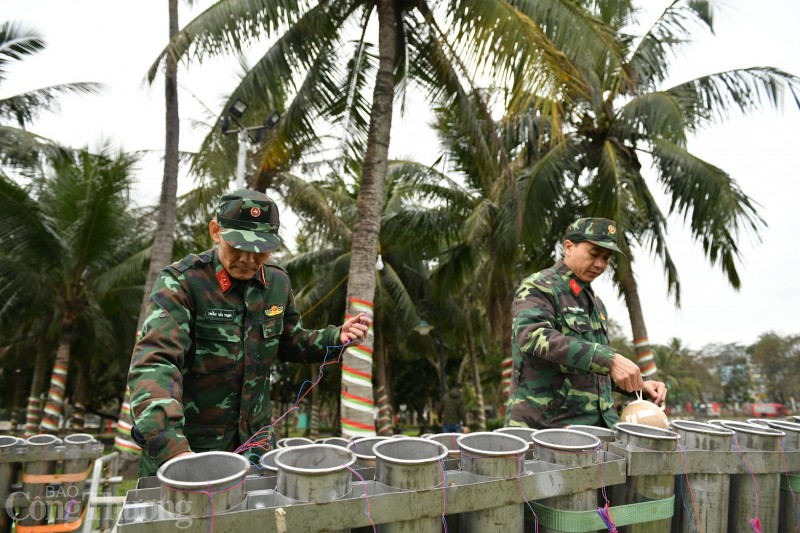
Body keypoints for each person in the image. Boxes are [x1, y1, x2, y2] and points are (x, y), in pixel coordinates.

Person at [128, 188, 371, 477]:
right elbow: (156, 361)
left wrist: (334, 337)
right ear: (216, 231)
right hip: (191, 447)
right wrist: (172, 447)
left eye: (260, 250)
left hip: (257, 445)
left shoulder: (277, 283)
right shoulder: (183, 282)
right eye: (238, 247)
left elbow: (289, 341)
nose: (248, 259)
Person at [504, 217, 666, 429]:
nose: (600, 264)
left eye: (606, 258)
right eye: (594, 254)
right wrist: (609, 359)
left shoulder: (596, 304)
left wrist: (639, 384)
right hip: (548, 429)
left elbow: (591, 370)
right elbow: (532, 337)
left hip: (597, 430)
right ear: (569, 247)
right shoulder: (540, 286)